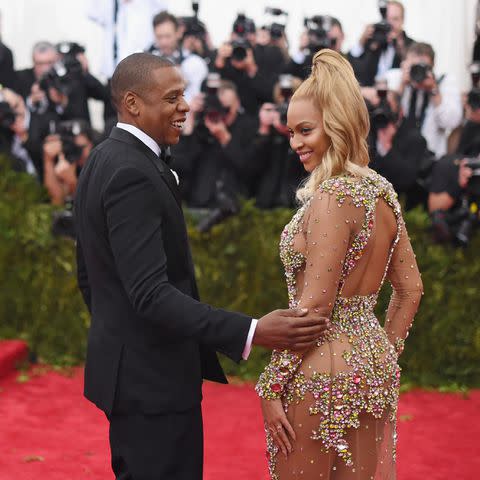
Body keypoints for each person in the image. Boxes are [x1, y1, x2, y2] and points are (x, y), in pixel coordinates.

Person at [74, 52, 329, 480]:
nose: (186, 106)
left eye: (184, 95)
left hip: (136, 377)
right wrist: (253, 331)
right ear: (133, 103)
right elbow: (151, 293)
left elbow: (90, 277)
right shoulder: (131, 171)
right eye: (172, 97)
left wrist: (118, 336)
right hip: (152, 385)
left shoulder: (105, 158)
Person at [256, 50, 423, 479]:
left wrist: (271, 384)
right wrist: (383, 352)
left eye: (306, 130)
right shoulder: (382, 190)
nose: (295, 143)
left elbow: (314, 309)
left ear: (336, 124)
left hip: (319, 373)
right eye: (291, 131)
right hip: (372, 369)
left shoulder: (333, 197)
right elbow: (410, 290)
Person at [146, 11, 208, 103]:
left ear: (178, 33)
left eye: (168, 36)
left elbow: (198, 100)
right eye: (159, 37)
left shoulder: (195, 63)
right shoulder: (146, 64)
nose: (163, 42)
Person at [349, 1, 414, 86]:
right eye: (387, 18)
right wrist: (362, 41)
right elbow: (352, 61)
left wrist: (398, 45)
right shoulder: (374, 38)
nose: (390, 23)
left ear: (402, 20)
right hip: (370, 92)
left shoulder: (411, 45)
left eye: (395, 19)